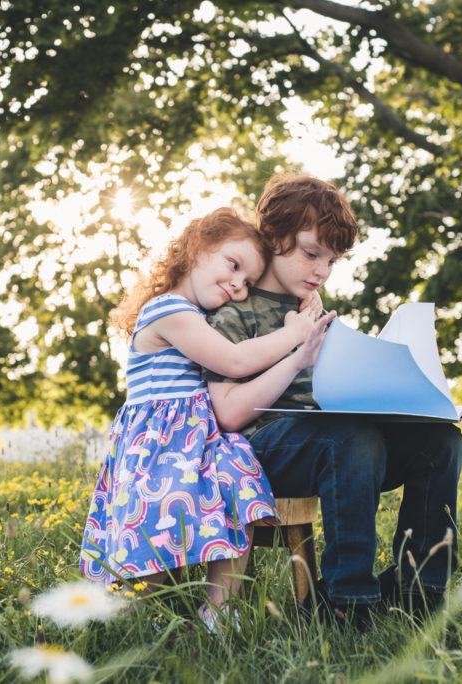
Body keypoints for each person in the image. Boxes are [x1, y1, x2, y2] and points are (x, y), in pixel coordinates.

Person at [204, 175, 462, 630]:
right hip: (258, 453)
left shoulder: (316, 311)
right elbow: (225, 414)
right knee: (351, 437)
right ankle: (348, 600)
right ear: (275, 236)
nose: (322, 270)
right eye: (311, 253)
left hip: (335, 443)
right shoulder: (233, 312)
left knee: (440, 438)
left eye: (332, 260)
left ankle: (421, 589)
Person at [79, 206, 335, 633]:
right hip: (157, 449)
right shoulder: (168, 311)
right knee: (157, 519)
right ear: (197, 249)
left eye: (248, 282)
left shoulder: (199, 316)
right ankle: (133, 615)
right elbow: (234, 361)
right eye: (233, 266)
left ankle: (222, 610)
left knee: (240, 471)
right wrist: (294, 334)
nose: (238, 285)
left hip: (195, 444)